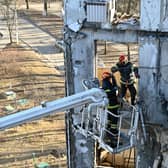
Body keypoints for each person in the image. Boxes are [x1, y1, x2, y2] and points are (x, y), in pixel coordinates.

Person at [101, 71, 120, 147]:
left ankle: (109, 130)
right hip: (112, 105)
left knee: (109, 119)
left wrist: (114, 78)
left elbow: (114, 87)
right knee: (114, 120)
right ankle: (113, 132)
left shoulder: (106, 82)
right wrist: (115, 90)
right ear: (108, 78)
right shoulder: (106, 84)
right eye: (110, 78)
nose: (111, 79)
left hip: (110, 106)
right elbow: (111, 93)